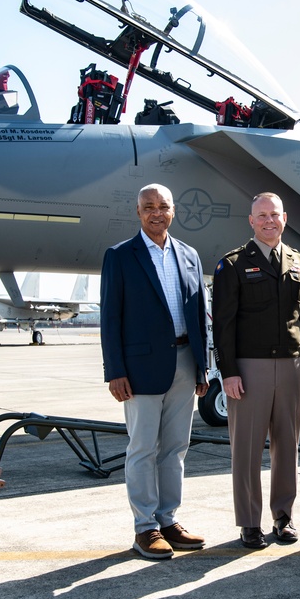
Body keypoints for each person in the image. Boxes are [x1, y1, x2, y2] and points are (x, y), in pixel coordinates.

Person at [100, 183, 210, 560]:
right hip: (140, 367)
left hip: (185, 362)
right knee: (143, 448)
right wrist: (115, 370)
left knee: (176, 449)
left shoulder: (189, 255)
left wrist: (203, 367)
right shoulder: (120, 256)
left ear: (173, 211)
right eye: (149, 207)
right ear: (138, 212)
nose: (156, 213)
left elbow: (199, 315)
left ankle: (168, 520)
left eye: (163, 206)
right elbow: (110, 319)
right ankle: (144, 527)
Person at [211, 193, 300, 550]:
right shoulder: (234, 264)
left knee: (287, 447)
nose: (269, 221)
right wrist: (228, 371)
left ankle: (283, 517)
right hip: (249, 367)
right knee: (247, 449)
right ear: (251, 220)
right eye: (262, 215)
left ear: (285, 218)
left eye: (275, 214)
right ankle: (249, 523)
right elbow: (223, 325)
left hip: (292, 366)